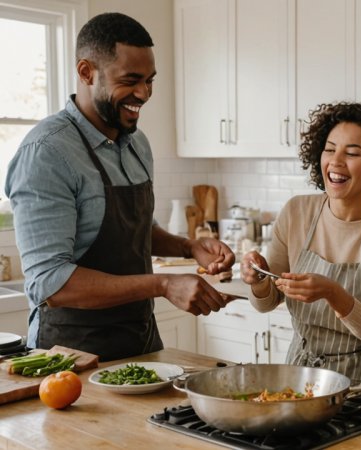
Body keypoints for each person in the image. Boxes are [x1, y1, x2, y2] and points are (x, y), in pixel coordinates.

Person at [4, 13, 235, 361]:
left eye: (150, 80)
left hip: (140, 345)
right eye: (131, 80)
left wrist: (189, 247)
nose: (143, 93)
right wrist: (164, 284)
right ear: (86, 72)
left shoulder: (136, 143)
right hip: (69, 358)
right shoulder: (47, 153)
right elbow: (50, 282)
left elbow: (133, 230)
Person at [240, 102, 361, 386]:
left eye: (352, 153)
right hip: (300, 374)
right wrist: (257, 279)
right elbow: (267, 302)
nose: (336, 161)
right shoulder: (297, 212)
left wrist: (333, 293)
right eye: (330, 149)